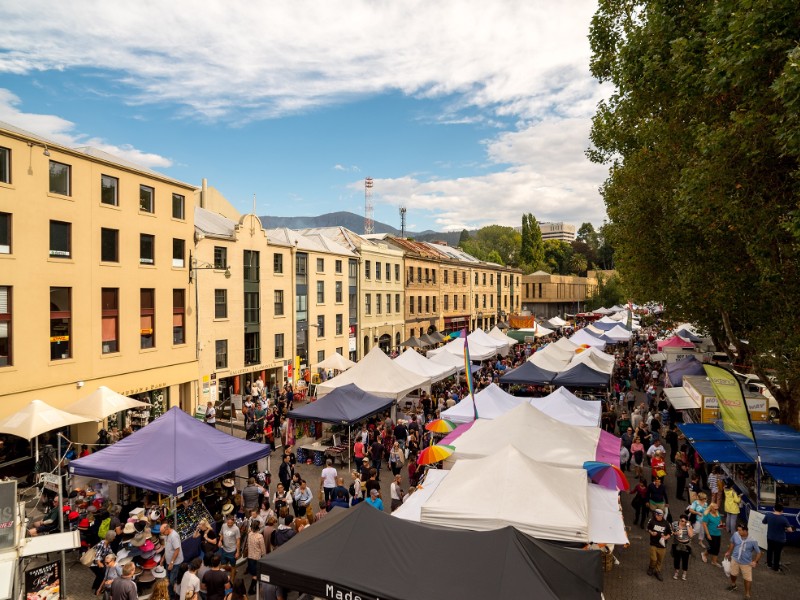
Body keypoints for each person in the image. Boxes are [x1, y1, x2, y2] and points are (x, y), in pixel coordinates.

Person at [724, 523, 762, 600]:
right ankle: (733, 584)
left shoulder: (753, 540)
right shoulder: (735, 534)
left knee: (747, 579)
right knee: (733, 574)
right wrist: (728, 552)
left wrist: (755, 561)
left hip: (746, 563)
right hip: (735, 559)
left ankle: (747, 595)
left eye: (740, 530)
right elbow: (732, 543)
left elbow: (759, 553)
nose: (738, 532)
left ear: (745, 531)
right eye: (737, 530)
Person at [763, 503, 794, 571]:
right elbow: (790, 530)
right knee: (777, 553)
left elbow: (764, 522)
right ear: (782, 511)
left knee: (770, 551)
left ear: (774, 509)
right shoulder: (784, 519)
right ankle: (776, 568)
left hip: (770, 537)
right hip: (780, 540)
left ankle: (769, 564)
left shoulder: (768, 515)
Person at [160, 521, 184, 600]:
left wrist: (172, 562)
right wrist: (163, 558)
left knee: (172, 580)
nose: (162, 534)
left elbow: (177, 550)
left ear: (167, 529)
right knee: (168, 579)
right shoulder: (167, 535)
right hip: (168, 562)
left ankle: (173, 596)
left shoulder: (173, 536)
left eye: (163, 532)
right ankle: (170, 593)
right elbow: (167, 548)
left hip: (175, 563)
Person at [646, 508, 673, 580]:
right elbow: (648, 528)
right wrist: (651, 533)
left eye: (659, 515)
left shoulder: (666, 523)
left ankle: (657, 571)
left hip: (662, 545)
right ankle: (651, 567)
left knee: (660, 560)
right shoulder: (651, 521)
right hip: (653, 544)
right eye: (656, 515)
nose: (657, 516)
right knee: (654, 559)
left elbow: (670, 533)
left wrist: (665, 537)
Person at [217, 514, 240, 581]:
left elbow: (238, 541)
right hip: (224, 549)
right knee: (223, 565)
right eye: (228, 523)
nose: (229, 525)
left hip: (232, 551)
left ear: (233, 521)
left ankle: (232, 580)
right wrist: (220, 540)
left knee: (233, 566)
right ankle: (233, 571)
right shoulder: (224, 526)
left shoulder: (236, 529)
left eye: (231, 523)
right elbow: (221, 534)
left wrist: (237, 552)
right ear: (226, 521)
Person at [245, 520, 267, 594]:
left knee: (254, 573)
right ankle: (251, 590)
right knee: (256, 575)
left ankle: (255, 588)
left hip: (250, 556)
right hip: (257, 558)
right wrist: (265, 557)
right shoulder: (260, 537)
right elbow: (263, 549)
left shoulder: (249, 534)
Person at [671, 514, 694, 580]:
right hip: (677, 543)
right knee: (676, 559)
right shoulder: (674, 524)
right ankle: (676, 572)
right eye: (681, 521)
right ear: (679, 519)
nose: (683, 522)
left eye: (684, 521)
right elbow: (670, 531)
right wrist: (675, 533)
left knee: (685, 559)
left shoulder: (688, 525)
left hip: (686, 545)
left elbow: (691, 535)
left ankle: (684, 573)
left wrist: (687, 526)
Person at [701, 503, 724, 567]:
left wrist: (721, 525)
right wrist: (708, 534)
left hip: (718, 533)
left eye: (717, 508)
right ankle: (704, 554)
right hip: (710, 533)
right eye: (715, 508)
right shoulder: (707, 515)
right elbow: (704, 524)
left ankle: (714, 561)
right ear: (711, 508)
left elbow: (720, 521)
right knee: (713, 547)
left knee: (717, 548)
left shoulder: (717, 513)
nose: (716, 509)